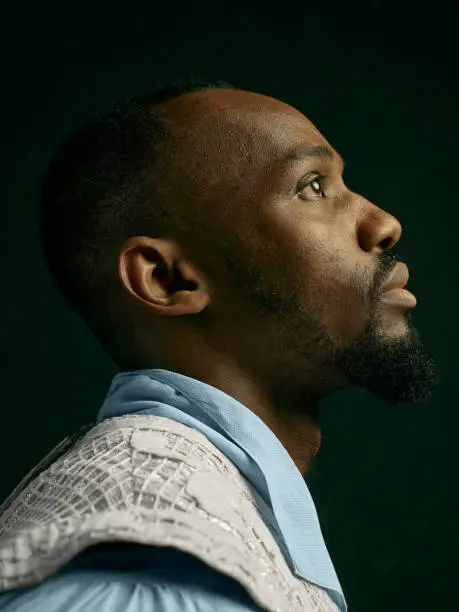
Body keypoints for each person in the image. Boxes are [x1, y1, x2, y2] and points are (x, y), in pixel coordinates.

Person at [0, 76, 441, 612]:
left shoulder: (208, 516)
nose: (383, 224)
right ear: (168, 280)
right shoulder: (148, 572)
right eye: (312, 186)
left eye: (340, 183)